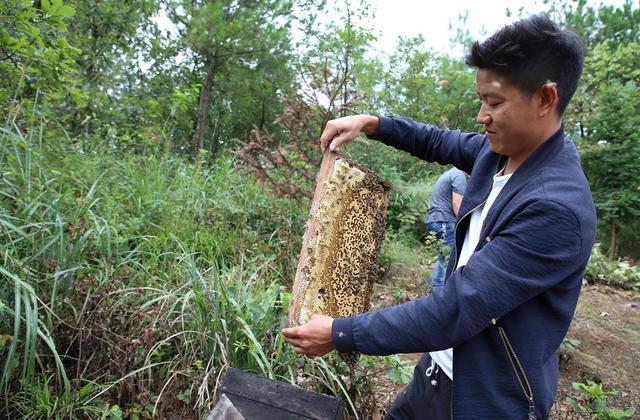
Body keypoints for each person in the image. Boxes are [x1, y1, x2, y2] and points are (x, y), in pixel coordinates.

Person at [282, 14, 596, 419]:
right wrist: (372, 124)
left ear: (545, 99)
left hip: (486, 400)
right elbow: (437, 140)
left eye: (495, 102)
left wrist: (342, 333)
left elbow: (456, 308)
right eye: (482, 99)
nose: (482, 115)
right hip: (435, 374)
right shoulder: (498, 152)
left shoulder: (556, 208)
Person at [425, 168, 469, 288]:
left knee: (443, 255)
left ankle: (439, 287)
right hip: (444, 220)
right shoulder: (459, 176)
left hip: (436, 219)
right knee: (447, 256)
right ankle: (439, 289)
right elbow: (457, 204)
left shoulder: (451, 173)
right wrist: (466, 225)